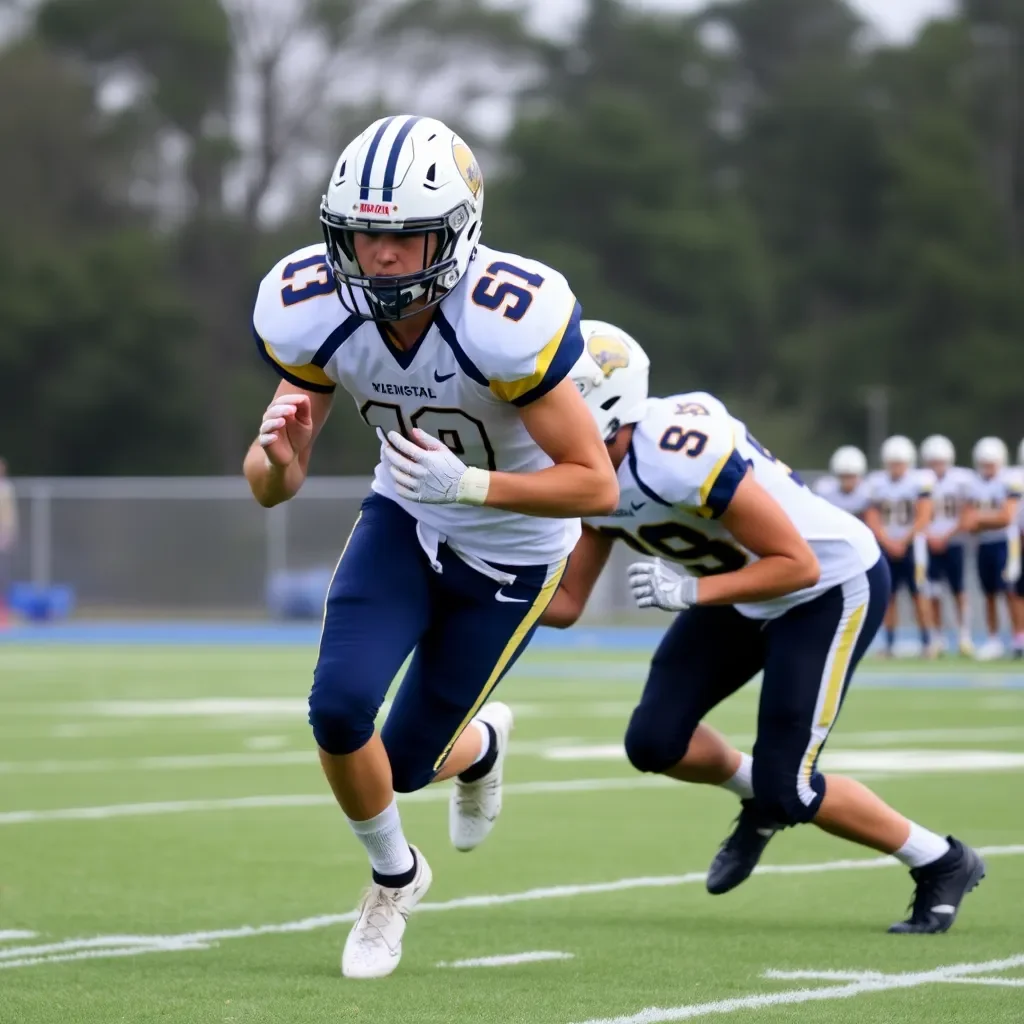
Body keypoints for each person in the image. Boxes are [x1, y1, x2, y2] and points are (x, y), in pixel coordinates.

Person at [243, 114, 618, 979]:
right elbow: (271, 486)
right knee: (338, 711)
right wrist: (276, 460)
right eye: (363, 236)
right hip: (406, 522)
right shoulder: (312, 308)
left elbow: (594, 483)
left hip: (516, 551)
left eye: (403, 237)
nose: (379, 258)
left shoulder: (504, 322)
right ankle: (392, 880)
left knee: (408, 763)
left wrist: (475, 485)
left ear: (454, 230)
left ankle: (479, 745)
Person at [542, 319, 985, 935]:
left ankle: (941, 860)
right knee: (654, 743)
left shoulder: (673, 453)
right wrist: (461, 590)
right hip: (738, 589)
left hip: (825, 586)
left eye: (551, 393)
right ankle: (762, 797)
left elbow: (796, 564)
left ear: (603, 402)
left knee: (793, 792)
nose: (537, 411)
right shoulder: (589, 469)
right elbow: (564, 603)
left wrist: (691, 589)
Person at [864, 437, 934, 657]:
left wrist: (903, 541)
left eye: (900, 463)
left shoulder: (919, 481)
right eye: (892, 463)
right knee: (888, 597)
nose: (896, 467)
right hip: (886, 546)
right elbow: (872, 517)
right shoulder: (877, 483)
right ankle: (890, 643)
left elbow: (924, 515)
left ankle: (927, 642)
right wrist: (888, 542)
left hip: (914, 547)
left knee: (919, 594)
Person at [919, 435, 974, 656]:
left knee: (959, 590)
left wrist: (947, 534)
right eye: (933, 462)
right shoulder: (919, 480)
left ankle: (964, 636)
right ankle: (937, 637)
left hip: (954, 542)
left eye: (940, 462)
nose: (936, 467)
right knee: (932, 591)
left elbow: (968, 512)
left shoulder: (962, 480)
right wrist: (929, 535)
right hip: (928, 543)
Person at [968, 437, 1021, 661]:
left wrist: (980, 519)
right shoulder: (973, 484)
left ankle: (1019, 637)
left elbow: (1006, 517)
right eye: (984, 463)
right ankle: (993, 639)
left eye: (991, 463)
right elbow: (967, 522)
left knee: (1012, 592)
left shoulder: (1010, 480)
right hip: (984, 544)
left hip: (1006, 543)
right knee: (989, 594)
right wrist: (984, 520)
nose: (988, 468)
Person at [814, 446, 871, 519]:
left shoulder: (867, 494)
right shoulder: (825, 491)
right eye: (844, 476)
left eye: (851, 476)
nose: (848, 481)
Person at [0, 458, 16, 625]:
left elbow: (9, 515)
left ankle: (3, 613)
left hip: (1, 538)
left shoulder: (6, 489)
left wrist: (7, 534)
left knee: (2, 577)